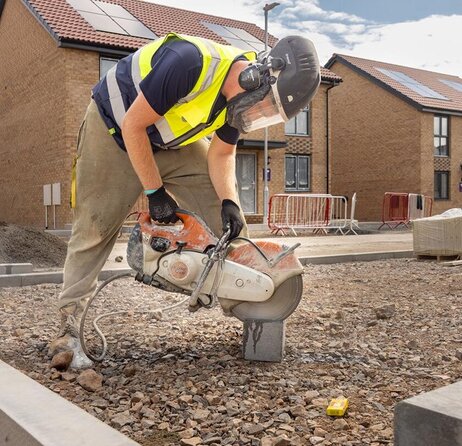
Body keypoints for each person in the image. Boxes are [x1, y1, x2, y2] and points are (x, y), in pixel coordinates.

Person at [48, 32, 321, 368]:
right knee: (94, 228)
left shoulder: (238, 101)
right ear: (255, 77)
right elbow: (134, 126)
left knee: (229, 227)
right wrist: (155, 193)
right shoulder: (188, 61)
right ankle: (68, 329)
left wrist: (229, 203)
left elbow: (222, 154)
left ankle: (252, 305)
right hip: (116, 131)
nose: (257, 113)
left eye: (269, 112)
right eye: (264, 104)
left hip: (169, 140)